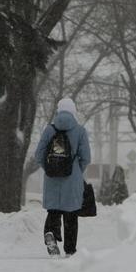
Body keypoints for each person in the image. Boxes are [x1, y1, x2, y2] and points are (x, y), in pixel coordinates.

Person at [34, 98, 91, 256]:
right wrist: (76, 171)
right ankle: (70, 250)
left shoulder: (49, 130)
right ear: (73, 111)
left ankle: (50, 233)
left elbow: (38, 155)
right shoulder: (80, 131)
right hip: (72, 180)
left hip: (52, 178)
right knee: (71, 215)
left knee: (53, 211)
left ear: (58, 111)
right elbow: (86, 157)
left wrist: (49, 168)